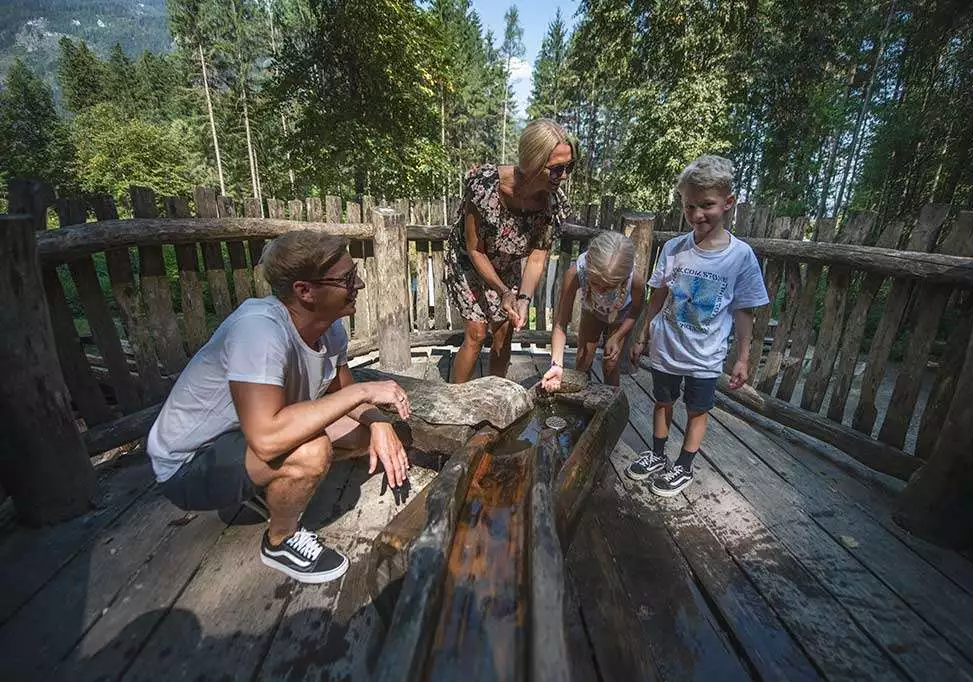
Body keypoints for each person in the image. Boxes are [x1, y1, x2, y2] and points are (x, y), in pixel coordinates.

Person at [146, 229, 413, 584]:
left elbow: (344, 392)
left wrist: (380, 424)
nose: (359, 284)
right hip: (189, 464)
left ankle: (265, 485)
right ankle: (280, 540)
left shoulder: (331, 331)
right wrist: (364, 394)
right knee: (312, 452)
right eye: (347, 278)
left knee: (365, 437)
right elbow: (269, 439)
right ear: (305, 291)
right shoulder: (259, 330)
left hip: (244, 436)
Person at [627, 155, 769, 497]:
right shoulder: (674, 248)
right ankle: (658, 455)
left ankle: (684, 466)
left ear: (728, 203)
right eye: (690, 206)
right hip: (666, 348)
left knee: (697, 409)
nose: (697, 215)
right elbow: (658, 294)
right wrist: (643, 334)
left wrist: (743, 357)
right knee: (662, 402)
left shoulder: (741, 257)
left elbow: (744, 310)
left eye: (707, 205)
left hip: (706, 356)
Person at [443, 118, 573, 383]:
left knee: (504, 329)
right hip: (469, 262)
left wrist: (522, 299)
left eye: (569, 166)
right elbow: (474, 248)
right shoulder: (486, 185)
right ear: (534, 163)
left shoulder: (551, 202)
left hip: (505, 264)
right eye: (557, 169)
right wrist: (503, 291)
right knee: (477, 333)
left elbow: (537, 256)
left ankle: (496, 398)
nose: (565, 176)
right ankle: (453, 401)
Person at [541, 230, 645, 391]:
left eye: (609, 287)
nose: (602, 291)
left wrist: (617, 337)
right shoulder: (576, 273)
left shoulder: (636, 281)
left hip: (621, 314)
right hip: (592, 309)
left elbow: (635, 312)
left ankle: (612, 405)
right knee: (583, 359)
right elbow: (560, 323)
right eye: (597, 284)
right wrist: (556, 364)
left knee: (611, 364)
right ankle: (581, 400)